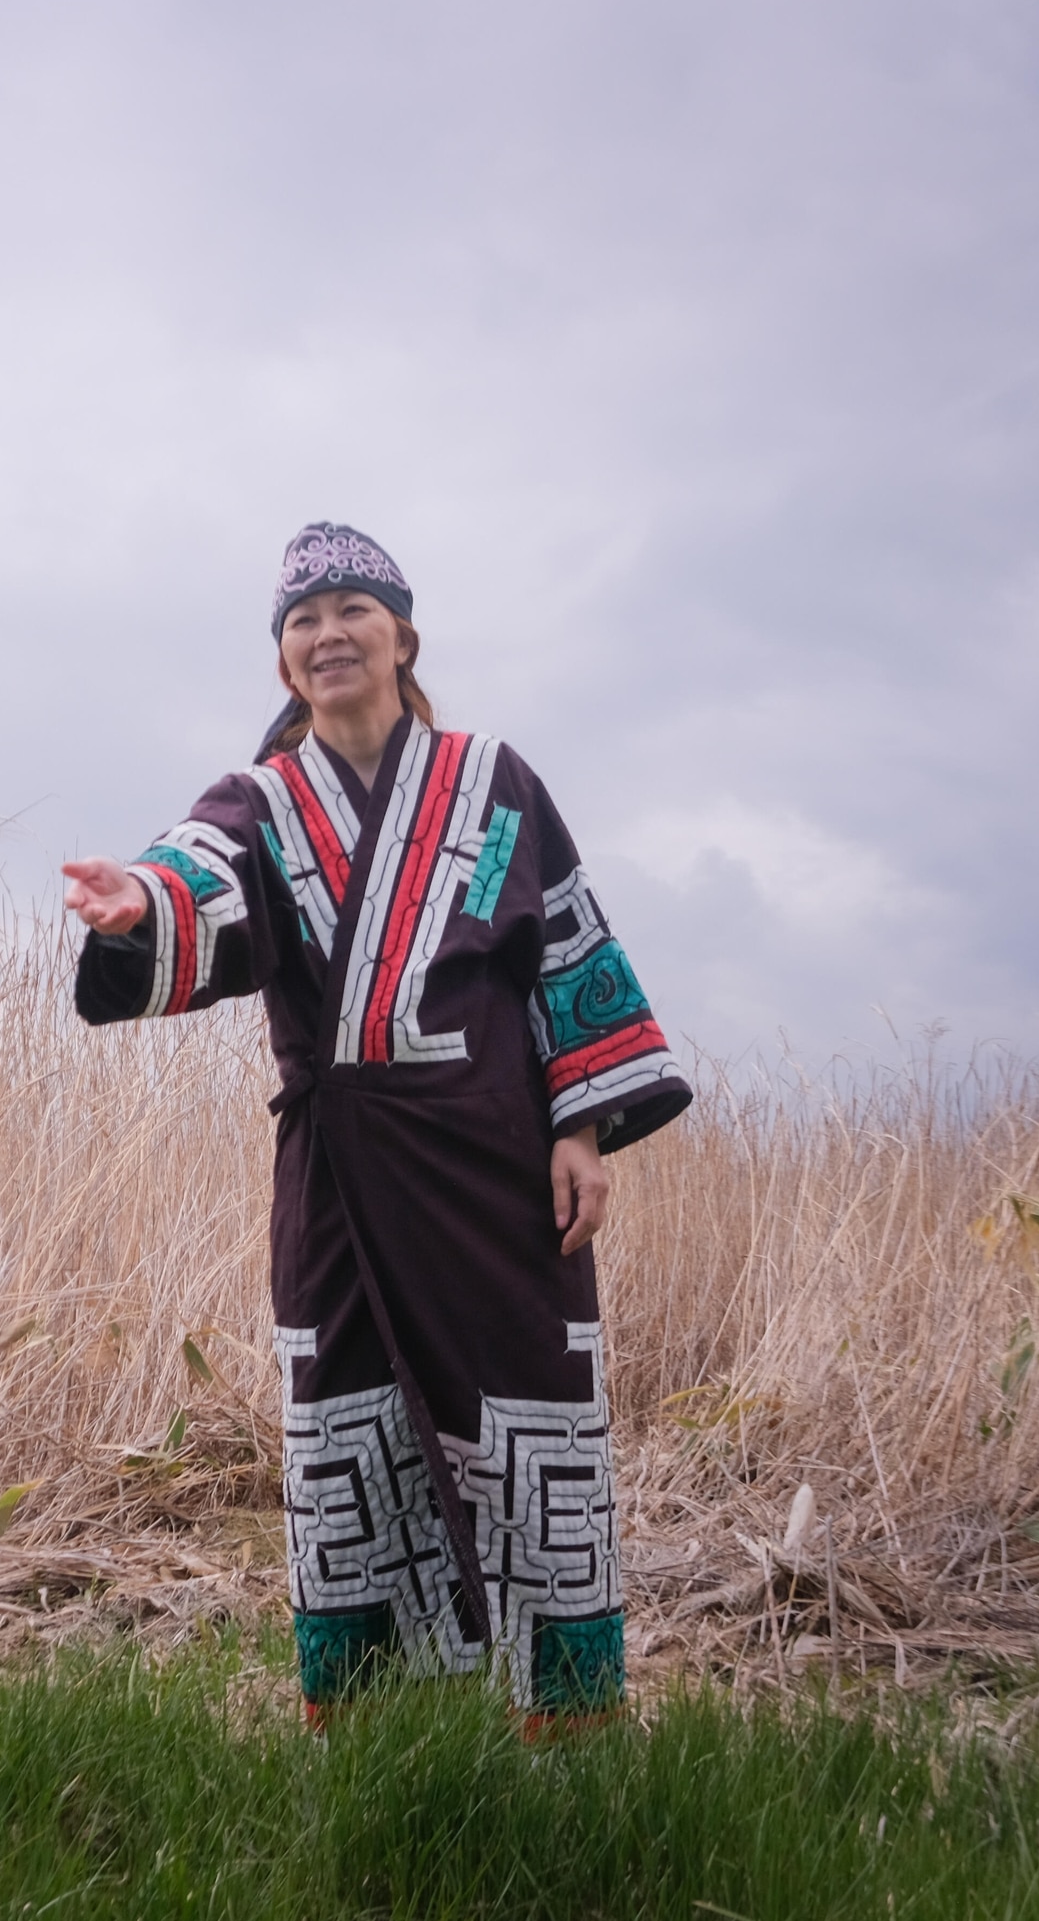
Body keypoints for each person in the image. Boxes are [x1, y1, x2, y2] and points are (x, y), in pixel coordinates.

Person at [63, 524, 689, 1731]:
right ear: (285, 663)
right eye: (302, 620)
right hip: (341, 1174)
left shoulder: (495, 781)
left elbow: (563, 942)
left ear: (403, 635)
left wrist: (582, 1121)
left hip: (495, 1160)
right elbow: (199, 873)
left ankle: (564, 1713)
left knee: (534, 1413)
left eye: (352, 608)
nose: (327, 632)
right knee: (340, 1417)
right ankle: (361, 1720)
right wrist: (139, 899)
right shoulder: (258, 802)